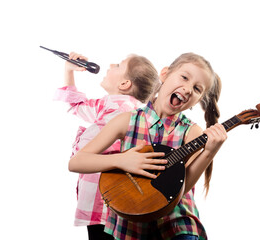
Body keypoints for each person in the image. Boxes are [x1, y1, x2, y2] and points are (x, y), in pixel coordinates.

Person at [68, 53, 228, 240]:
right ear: (165, 74)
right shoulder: (126, 120)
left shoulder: (191, 132)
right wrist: (122, 160)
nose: (188, 89)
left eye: (197, 89)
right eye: (184, 77)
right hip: (131, 222)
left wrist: (210, 152)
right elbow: (76, 162)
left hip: (176, 224)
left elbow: (182, 189)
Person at [54, 51, 159, 240]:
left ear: (124, 84)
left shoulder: (126, 111)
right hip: (102, 202)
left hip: (108, 205)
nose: (111, 65)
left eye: (118, 65)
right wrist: (69, 70)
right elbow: (77, 106)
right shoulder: (109, 105)